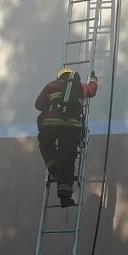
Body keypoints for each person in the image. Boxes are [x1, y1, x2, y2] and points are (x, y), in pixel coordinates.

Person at [35, 68, 98, 208]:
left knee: (45, 142)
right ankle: (64, 197)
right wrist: (94, 79)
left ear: (59, 76)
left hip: (51, 124)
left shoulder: (51, 85)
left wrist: (52, 106)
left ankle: (53, 168)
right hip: (71, 127)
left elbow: (38, 104)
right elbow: (92, 92)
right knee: (67, 159)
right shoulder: (80, 86)